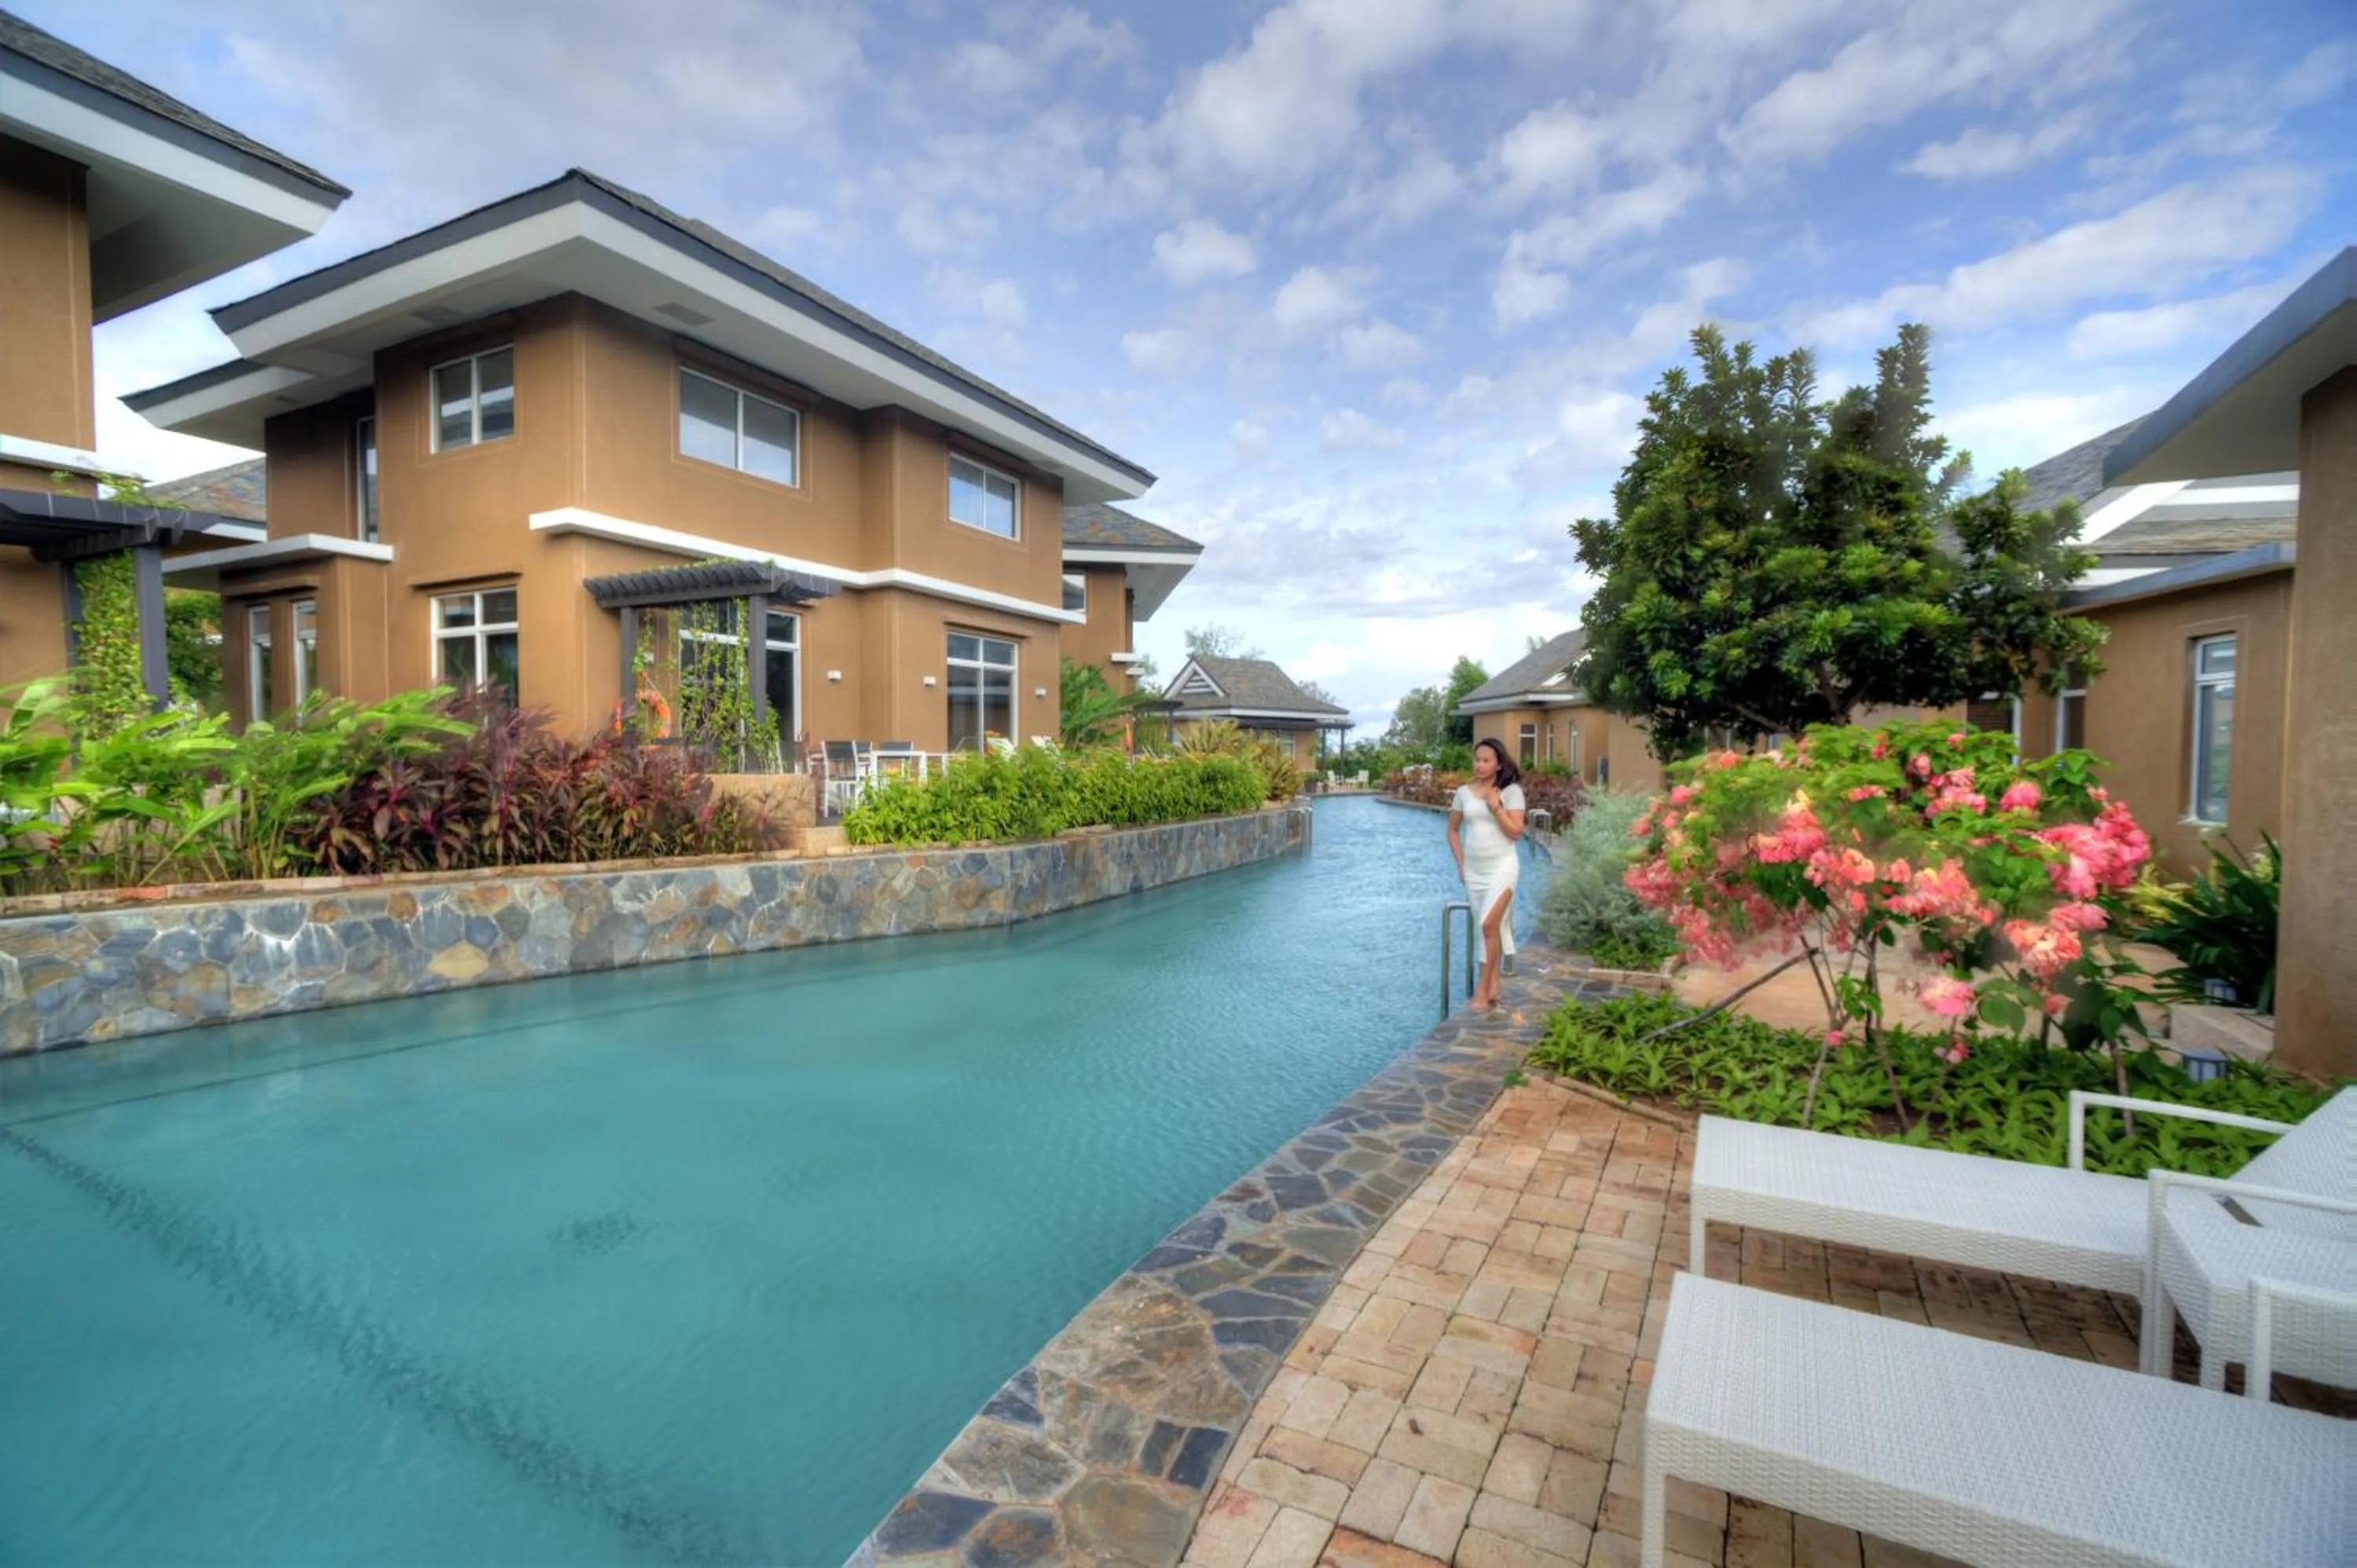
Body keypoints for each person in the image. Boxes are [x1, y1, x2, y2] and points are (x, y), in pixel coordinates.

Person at [1448, 737, 1527, 1012]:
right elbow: (1453, 830)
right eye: (1477, 759)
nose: (1479, 765)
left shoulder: (1511, 791)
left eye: (1486, 760)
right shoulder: (1463, 793)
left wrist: (1495, 806)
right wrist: (1461, 865)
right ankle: (1494, 988)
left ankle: (1482, 991)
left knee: (1489, 925)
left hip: (1503, 866)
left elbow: (1516, 833)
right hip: (1474, 872)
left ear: (1498, 764)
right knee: (1487, 930)